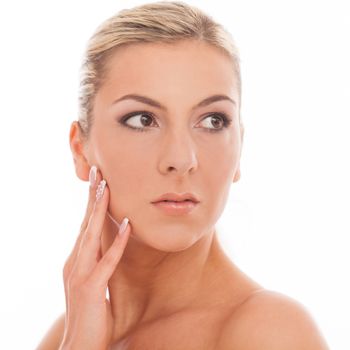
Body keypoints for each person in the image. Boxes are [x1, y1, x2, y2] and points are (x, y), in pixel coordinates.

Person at [36, 1, 329, 349]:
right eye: (143, 120)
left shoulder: (270, 332)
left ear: (239, 149)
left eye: (212, 121)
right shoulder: (68, 333)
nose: (181, 159)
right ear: (80, 150)